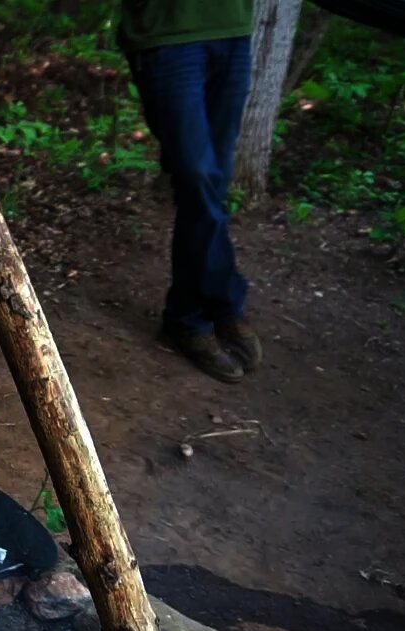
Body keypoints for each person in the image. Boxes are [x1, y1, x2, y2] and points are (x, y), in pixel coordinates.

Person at [120, 1, 263, 383]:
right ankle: (225, 299)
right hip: (170, 36)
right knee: (197, 177)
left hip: (233, 29)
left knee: (210, 186)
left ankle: (186, 317)